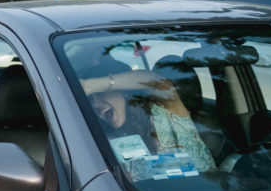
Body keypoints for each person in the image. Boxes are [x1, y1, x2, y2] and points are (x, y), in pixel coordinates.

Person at [79, 58, 216, 173]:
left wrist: (90, 86)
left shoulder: (166, 114)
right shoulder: (109, 143)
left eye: (99, 93)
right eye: (90, 100)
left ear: (124, 90)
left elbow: (158, 83)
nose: (95, 104)